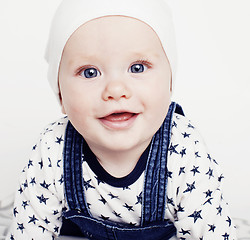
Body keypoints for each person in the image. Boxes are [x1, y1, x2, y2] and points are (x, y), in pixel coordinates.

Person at [6, 0, 237, 239]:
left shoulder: (183, 150)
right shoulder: (53, 148)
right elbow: (30, 233)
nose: (116, 90)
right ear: (60, 95)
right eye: (90, 72)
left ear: (170, 84)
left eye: (137, 68)